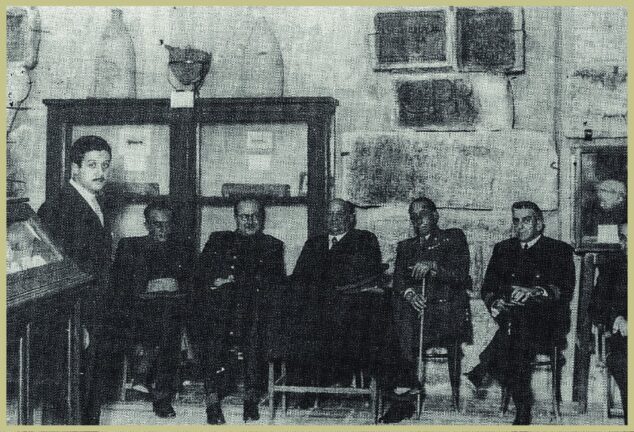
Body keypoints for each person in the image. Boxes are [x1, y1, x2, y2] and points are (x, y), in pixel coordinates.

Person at [465, 201, 575, 425]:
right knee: (516, 332)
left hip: (549, 323)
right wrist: (497, 303)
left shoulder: (558, 250)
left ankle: (484, 368)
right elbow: (487, 288)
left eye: (526, 220)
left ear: (539, 224)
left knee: (520, 324)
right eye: (516, 221)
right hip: (510, 323)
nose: (520, 226)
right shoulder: (503, 249)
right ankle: (522, 407)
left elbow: (564, 289)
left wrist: (534, 291)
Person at [37, 135, 113, 424]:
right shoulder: (59, 206)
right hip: (71, 318)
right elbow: (57, 274)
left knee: (86, 394)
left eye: (105, 165)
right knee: (68, 397)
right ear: (74, 168)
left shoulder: (92, 202)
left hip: (92, 312)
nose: (100, 172)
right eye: (92, 164)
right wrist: (75, 324)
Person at [193, 198, 286, 424]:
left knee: (254, 325)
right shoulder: (219, 239)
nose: (250, 221)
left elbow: (276, 284)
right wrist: (216, 281)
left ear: (261, 219)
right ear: (235, 218)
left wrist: (238, 282)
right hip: (220, 307)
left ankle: (250, 399)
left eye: (254, 216)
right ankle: (212, 402)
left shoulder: (272, 245)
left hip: (254, 308)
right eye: (244, 216)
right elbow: (201, 274)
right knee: (213, 326)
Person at [379, 197, 472, 423]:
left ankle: (404, 393)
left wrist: (433, 266)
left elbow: (461, 276)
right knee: (392, 312)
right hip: (416, 316)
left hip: (446, 315)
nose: (417, 220)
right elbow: (400, 283)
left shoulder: (453, 238)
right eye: (413, 216)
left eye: (423, 214)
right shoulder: (406, 247)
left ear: (435, 216)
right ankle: (404, 392)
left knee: (398, 325)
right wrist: (410, 295)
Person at [291, 199, 384, 394]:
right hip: (314, 308)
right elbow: (299, 277)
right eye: (330, 214)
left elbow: (364, 274)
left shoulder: (364, 239)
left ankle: (337, 378)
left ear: (351, 218)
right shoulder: (314, 243)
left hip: (349, 306)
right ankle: (305, 386)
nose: (334, 219)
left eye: (339, 214)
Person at [111, 200, 194, 418]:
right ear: (146, 224)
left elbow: (195, 284)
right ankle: (153, 385)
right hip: (137, 312)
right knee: (166, 325)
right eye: (157, 224)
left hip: (172, 311)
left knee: (169, 322)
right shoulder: (129, 246)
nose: (163, 229)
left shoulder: (183, 247)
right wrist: (148, 287)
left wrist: (177, 285)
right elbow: (118, 287)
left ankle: (156, 390)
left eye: (167, 224)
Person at [589, 223, 627, 422]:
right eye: (624, 238)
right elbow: (595, 307)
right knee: (624, 364)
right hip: (624, 345)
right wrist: (616, 318)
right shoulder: (612, 267)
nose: (628, 245)